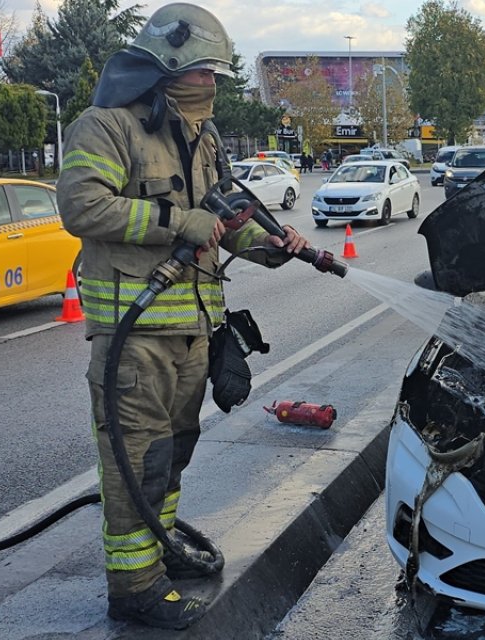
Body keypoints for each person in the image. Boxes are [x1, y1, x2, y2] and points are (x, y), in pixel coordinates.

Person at [56, 3, 310, 630]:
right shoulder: (107, 126)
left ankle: (162, 551)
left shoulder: (203, 136)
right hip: (134, 338)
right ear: (170, 66)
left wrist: (271, 245)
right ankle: (135, 589)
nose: (215, 87)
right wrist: (177, 223)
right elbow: (82, 207)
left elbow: (223, 217)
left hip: (194, 330)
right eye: (207, 74)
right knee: (135, 461)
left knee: (173, 455)